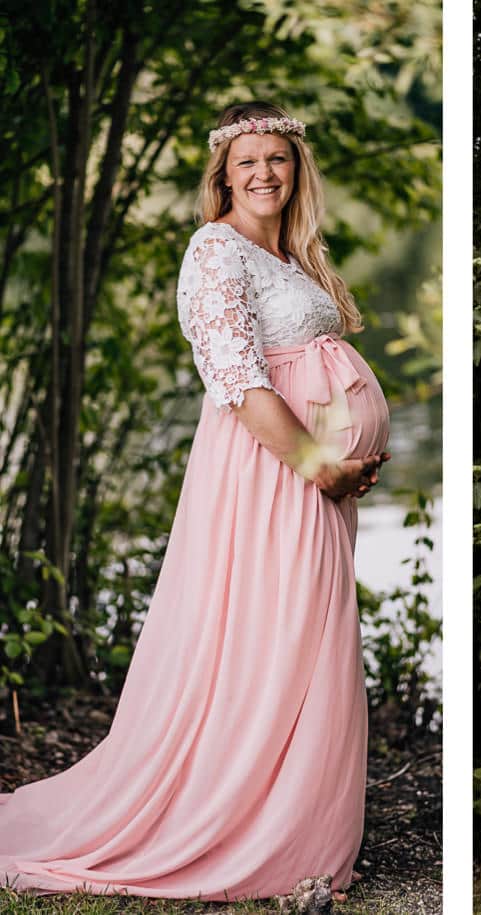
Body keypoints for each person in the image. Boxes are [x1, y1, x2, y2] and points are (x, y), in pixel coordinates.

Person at [0, 102, 391, 900]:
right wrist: (321, 464)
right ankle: (242, 822)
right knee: (266, 639)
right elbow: (240, 379)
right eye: (248, 161)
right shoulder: (215, 251)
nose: (264, 173)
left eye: (278, 158)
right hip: (270, 476)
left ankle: (296, 820)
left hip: (313, 481)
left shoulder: (289, 254)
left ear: (297, 168)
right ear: (223, 174)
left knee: (306, 644)